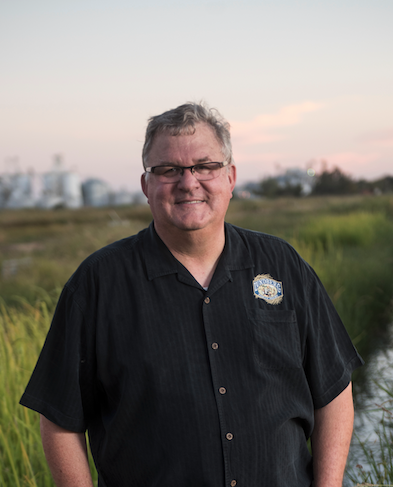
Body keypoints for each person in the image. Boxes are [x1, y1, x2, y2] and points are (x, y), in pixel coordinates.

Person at [20, 101, 363, 487]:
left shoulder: (283, 265)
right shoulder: (98, 283)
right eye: (168, 170)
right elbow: (60, 419)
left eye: (205, 166)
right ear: (146, 185)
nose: (188, 182)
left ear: (230, 177)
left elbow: (333, 390)